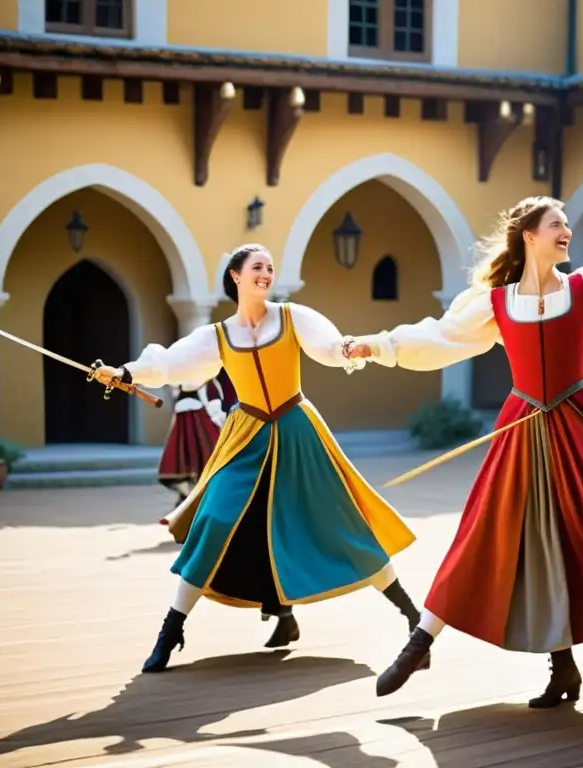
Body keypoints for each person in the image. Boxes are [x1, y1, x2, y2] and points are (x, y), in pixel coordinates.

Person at [345, 188, 583, 707]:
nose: (566, 231)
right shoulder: (493, 303)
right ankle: (427, 644)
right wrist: (377, 345)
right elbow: (441, 337)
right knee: (493, 536)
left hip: (582, 421)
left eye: (567, 223)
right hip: (523, 427)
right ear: (530, 235)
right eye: (557, 224)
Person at [94, 244, 424, 672]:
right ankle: (171, 631)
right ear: (236, 276)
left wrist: (347, 349)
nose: (266, 273)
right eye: (257, 267)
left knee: (338, 520)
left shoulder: (292, 317)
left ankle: (414, 617)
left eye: (270, 268)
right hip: (246, 434)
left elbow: (327, 346)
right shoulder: (215, 336)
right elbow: (171, 365)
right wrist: (124, 374)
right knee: (215, 520)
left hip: (297, 431)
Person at [157, 377, 227, 505]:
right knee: (191, 461)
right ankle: (191, 498)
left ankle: (195, 497)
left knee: (202, 462)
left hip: (198, 420)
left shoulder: (207, 381)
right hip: (190, 421)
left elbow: (215, 404)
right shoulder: (198, 380)